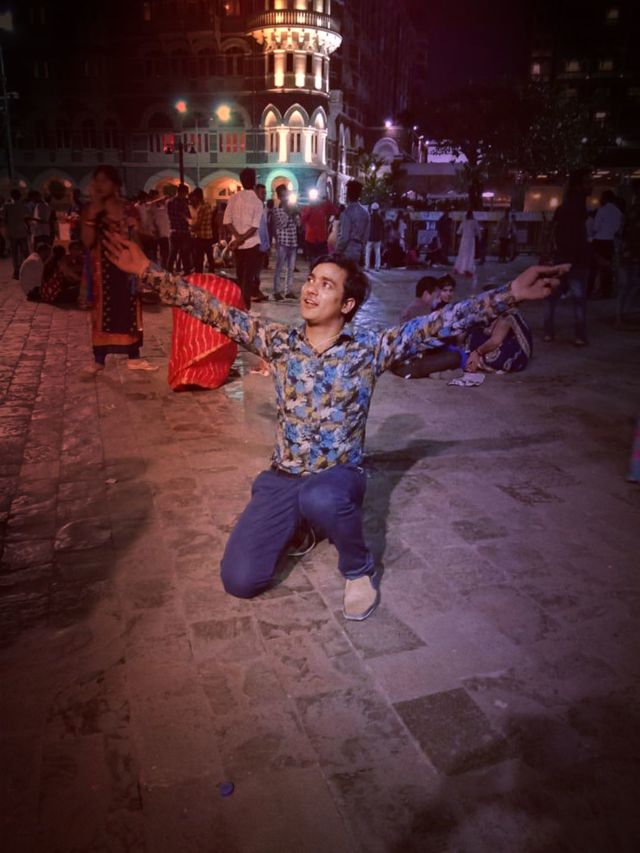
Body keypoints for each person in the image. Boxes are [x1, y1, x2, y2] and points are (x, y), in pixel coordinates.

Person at [103, 230, 567, 621]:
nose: (310, 289)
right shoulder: (279, 342)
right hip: (284, 477)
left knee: (321, 496)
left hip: (338, 477)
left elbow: (439, 323)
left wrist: (511, 293)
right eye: (311, 280)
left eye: (325, 285)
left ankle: (358, 567)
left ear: (347, 304)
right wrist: (148, 271)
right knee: (240, 580)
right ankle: (303, 527)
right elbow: (214, 311)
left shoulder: (370, 349)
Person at [80, 164, 157, 375]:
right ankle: (99, 359)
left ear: (115, 184)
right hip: (102, 269)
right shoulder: (91, 210)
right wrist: (93, 213)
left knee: (129, 308)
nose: (99, 185)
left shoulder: (128, 209)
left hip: (127, 267)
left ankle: (134, 356)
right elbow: (87, 242)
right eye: (97, 180)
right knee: (102, 311)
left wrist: (137, 230)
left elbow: (142, 238)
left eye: (104, 180)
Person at [543, 169, 591, 346]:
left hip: (561, 258)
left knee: (552, 296)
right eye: (587, 182)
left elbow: (553, 232)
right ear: (579, 186)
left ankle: (548, 332)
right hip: (577, 260)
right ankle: (580, 335)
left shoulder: (562, 208)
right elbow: (584, 235)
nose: (590, 186)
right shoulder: (582, 209)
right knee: (578, 300)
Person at [223, 167, 264, 309]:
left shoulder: (233, 198)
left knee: (240, 277)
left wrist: (237, 238)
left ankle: (239, 306)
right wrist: (242, 238)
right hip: (251, 244)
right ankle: (245, 307)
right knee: (248, 279)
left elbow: (227, 221)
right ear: (254, 182)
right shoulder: (257, 202)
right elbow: (254, 227)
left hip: (237, 245)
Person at [466, 309, 533, 374]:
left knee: (490, 357)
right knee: (474, 335)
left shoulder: (507, 316)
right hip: (504, 341)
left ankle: (476, 362)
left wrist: (477, 353)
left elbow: (495, 341)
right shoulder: (494, 312)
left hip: (516, 352)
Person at [588, 189, 624, 299]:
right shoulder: (618, 212)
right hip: (610, 241)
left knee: (593, 267)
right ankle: (606, 291)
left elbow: (596, 227)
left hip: (599, 241)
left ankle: (589, 290)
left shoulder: (602, 210)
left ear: (605, 198)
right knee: (607, 268)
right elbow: (618, 228)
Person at [272, 184, 300, 302]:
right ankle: (276, 291)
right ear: (279, 197)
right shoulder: (277, 210)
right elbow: (282, 224)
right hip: (283, 241)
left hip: (293, 241)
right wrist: (290, 213)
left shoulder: (294, 208)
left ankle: (288, 291)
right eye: (283, 195)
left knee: (291, 268)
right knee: (279, 268)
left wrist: (296, 214)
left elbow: (299, 224)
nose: (286, 197)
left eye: (287, 195)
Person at [336, 180, 370, 262]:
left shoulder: (346, 213)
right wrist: (362, 251)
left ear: (348, 194)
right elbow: (366, 236)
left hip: (346, 251)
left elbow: (344, 237)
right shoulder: (365, 213)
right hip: (358, 250)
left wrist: (337, 252)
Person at [301, 193, 339, 264]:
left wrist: (327, 201)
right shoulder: (306, 208)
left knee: (323, 261)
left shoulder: (323, 206)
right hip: (310, 239)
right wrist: (310, 208)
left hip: (322, 239)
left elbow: (335, 211)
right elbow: (302, 220)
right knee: (312, 261)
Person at [4, 188, 30, 279]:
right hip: (22, 231)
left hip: (13, 232)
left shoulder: (7, 206)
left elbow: (5, 219)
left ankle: (16, 271)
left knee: (14, 253)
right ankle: (27, 269)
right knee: (25, 252)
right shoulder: (24, 206)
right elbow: (26, 218)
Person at [167, 184, 192, 275]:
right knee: (183, 253)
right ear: (182, 192)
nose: (185, 196)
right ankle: (187, 272)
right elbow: (186, 216)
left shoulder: (170, 202)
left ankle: (169, 272)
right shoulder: (181, 203)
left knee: (173, 253)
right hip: (181, 231)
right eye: (185, 194)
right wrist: (187, 219)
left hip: (175, 231)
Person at [190, 188, 216, 275]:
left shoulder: (202, 208)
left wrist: (191, 227)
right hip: (208, 235)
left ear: (197, 197)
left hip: (201, 236)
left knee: (199, 258)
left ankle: (199, 275)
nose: (193, 199)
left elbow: (198, 223)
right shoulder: (208, 205)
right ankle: (212, 273)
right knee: (210, 256)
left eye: (194, 197)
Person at [252, 183, 270, 302]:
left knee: (258, 270)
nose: (264, 195)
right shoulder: (254, 207)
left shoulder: (262, 207)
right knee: (254, 270)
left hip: (262, 244)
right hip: (256, 243)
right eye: (262, 193)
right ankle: (254, 292)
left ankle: (256, 291)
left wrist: (267, 243)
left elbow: (264, 227)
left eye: (265, 193)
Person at [148, 190, 171, 269]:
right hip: (155, 234)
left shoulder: (163, 206)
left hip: (165, 233)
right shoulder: (150, 207)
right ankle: (156, 269)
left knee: (165, 253)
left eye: (157, 197)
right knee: (154, 254)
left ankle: (163, 268)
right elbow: (150, 221)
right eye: (155, 197)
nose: (157, 198)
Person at [454, 210, 481, 277]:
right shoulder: (474, 222)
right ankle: (468, 268)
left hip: (464, 239)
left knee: (462, 254)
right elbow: (478, 231)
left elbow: (458, 232)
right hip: (471, 240)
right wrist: (478, 236)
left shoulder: (464, 222)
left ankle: (459, 268)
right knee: (470, 254)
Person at [365, 202, 384, 271]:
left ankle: (367, 267)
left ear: (372, 209)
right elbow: (382, 227)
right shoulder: (380, 217)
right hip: (377, 237)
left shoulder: (369, 217)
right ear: (378, 209)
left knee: (368, 252)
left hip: (369, 237)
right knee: (377, 252)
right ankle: (377, 267)